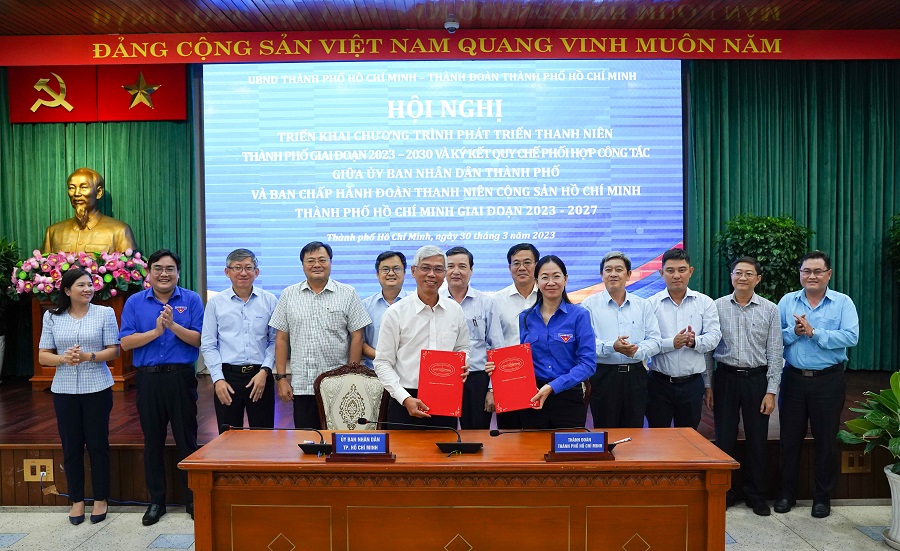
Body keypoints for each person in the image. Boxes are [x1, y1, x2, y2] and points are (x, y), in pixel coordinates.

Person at [119, 249, 203, 526]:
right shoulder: (135, 302)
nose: (164, 273)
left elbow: (198, 339)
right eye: (158, 268)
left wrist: (172, 326)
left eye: (169, 269)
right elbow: (125, 343)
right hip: (149, 379)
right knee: (152, 440)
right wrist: (156, 332)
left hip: (180, 378)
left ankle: (193, 499)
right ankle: (157, 501)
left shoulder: (191, 299)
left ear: (178, 272)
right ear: (149, 272)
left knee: (186, 439)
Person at [775, 251, 859, 519]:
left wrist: (814, 333)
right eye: (806, 271)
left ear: (828, 274)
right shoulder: (788, 301)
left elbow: (851, 337)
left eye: (817, 271)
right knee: (789, 440)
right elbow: (774, 338)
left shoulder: (842, 303)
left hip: (828, 381)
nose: (811, 276)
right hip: (793, 379)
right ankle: (786, 494)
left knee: (826, 441)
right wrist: (794, 332)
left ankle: (822, 498)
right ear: (800, 274)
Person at [38, 268, 119, 526]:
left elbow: (114, 351)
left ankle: (101, 499)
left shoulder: (105, 313)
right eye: (81, 285)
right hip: (64, 390)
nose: (87, 289)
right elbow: (43, 356)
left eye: (90, 284)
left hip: (97, 388)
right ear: (67, 290)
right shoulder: (52, 316)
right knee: (71, 447)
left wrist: (88, 356)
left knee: (97, 445)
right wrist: (63, 358)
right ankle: (76, 501)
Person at [269, 241, 371, 429]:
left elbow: (357, 336)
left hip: (338, 384)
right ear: (303, 265)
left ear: (330, 262)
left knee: (339, 437)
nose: (317, 265)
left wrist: (351, 377)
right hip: (303, 385)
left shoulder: (348, 293)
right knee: (307, 439)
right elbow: (281, 339)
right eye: (310, 261)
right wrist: (281, 378)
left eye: (322, 260)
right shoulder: (288, 294)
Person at [487, 255, 595, 429]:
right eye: (545, 277)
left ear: (566, 279)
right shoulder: (526, 317)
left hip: (568, 397)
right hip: (533, 397)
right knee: (533, 445)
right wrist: (499, 368)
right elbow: (523, 360)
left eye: (556, 276)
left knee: (567, 445)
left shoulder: (579, 315)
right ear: (537, 281)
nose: (551, 282)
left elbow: (588, 364)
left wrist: (553, 386)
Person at [711, 256, 783, 517]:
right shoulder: (716, 306)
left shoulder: (770, 309)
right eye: (738, 273)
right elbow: (708, 351)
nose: (743, 277)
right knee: (724, 438)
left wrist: (771, 391)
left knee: (757, 440)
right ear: (731, 276)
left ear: (758, 279)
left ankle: (756, 494)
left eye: (749, 273)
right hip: (725, 378)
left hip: (756, 380)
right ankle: (726, 492)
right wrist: (708, 386)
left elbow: (775, 352)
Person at [374, 245, 470, 428]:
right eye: (425, 268)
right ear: (413, 271)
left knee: (446, 446)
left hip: (446, 398)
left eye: (438, 269)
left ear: (445, 273)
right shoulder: (396, 313)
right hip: (405, 401)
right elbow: (382, 362)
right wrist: (405, 398)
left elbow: (462, 347)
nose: (431, 274)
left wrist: (463, 362)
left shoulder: (455, 310)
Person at [200, 249, 277, 433]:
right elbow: (209, 344)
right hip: (228, 378)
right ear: (227, 272)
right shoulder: (216, 303)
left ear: (256, 272)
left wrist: (265, 371)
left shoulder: (270, 300)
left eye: (248, 268)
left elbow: (275, 341)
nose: (243, 273)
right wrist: (218, 379)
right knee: (228, 438)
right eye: (237, 268)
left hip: (260, 377)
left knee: (263, 437)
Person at [582, 251, 660, 429]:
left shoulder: (643, 305)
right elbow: (586, 344)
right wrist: (613, 347)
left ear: (629, 274)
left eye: (619, 269)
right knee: (605, 429)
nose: (613, 274)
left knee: (634, 430)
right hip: (604, 376)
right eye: (608, 270)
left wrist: (637, 350)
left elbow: (655, 340)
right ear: (602, 275)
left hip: (636, 375)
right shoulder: (588, 305)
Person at [647, 248, 721, 430]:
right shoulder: (650, 304)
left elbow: (714, 337)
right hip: (658, 384)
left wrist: (694, 342)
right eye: (670, 270)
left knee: (689, 436)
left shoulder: (705, 302)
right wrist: (671, 343)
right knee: (658, 436)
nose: (676, 275)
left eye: (681, 270)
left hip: (692, 384)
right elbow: (646, 343)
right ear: (661, 273)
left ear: (690, 271)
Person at [443, 246, 504, 429]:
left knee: (477, 436)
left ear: (471, 270)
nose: (456, 271)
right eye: (450, 266)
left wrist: (493, 389)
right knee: (442, 433)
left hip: (477, 379)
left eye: (462, 266)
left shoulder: (486, 302)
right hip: (443, 378)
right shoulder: (436, 302)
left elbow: (497, 348)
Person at [491, 243, 539, 429]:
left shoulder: (548, 296)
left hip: (542, 376)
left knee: (539, 434)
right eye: (516, 263)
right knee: (509, 435)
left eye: (527, 262)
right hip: (508, 378)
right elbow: (493, 344)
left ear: (536, 265)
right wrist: (492, 387)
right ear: (509, 267)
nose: (521, 268)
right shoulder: (496, 300)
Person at [41, 167, 137, 253]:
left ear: (99, 192)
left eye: (83, 187)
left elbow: (128, 265)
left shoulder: (120, 231)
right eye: (72, 188)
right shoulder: (53, 232)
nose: (77, 193)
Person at [362, 251, 410, 369]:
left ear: (404, 272)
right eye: (386, 269)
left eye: (396, 269)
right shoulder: (365, 305)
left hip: (409, 372)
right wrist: (382, 357)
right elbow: (360, 342)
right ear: (377, 274)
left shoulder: (416, 303)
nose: (391, 273)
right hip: (374, 373)